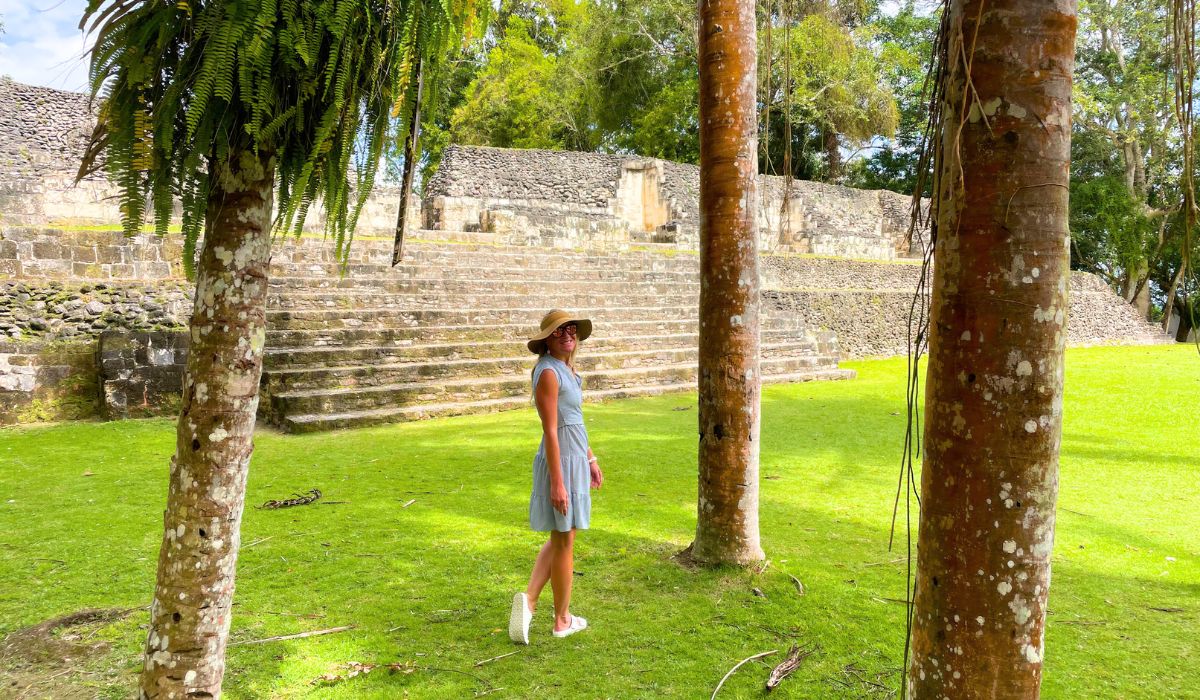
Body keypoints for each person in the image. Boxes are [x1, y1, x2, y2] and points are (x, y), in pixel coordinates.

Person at [509, 309, 603, 644]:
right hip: (560, 463)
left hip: (575, 459)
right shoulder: (548, 373)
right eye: (559, 331)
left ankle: (530, 600)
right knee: (564, 541)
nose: (567, 335)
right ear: (547, 339)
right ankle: (562, 619)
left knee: (564, 536)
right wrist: (558, 482)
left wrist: (590, 458)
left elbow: (574, 420)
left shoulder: (567, 370)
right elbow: (551, 431)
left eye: (572, 329)